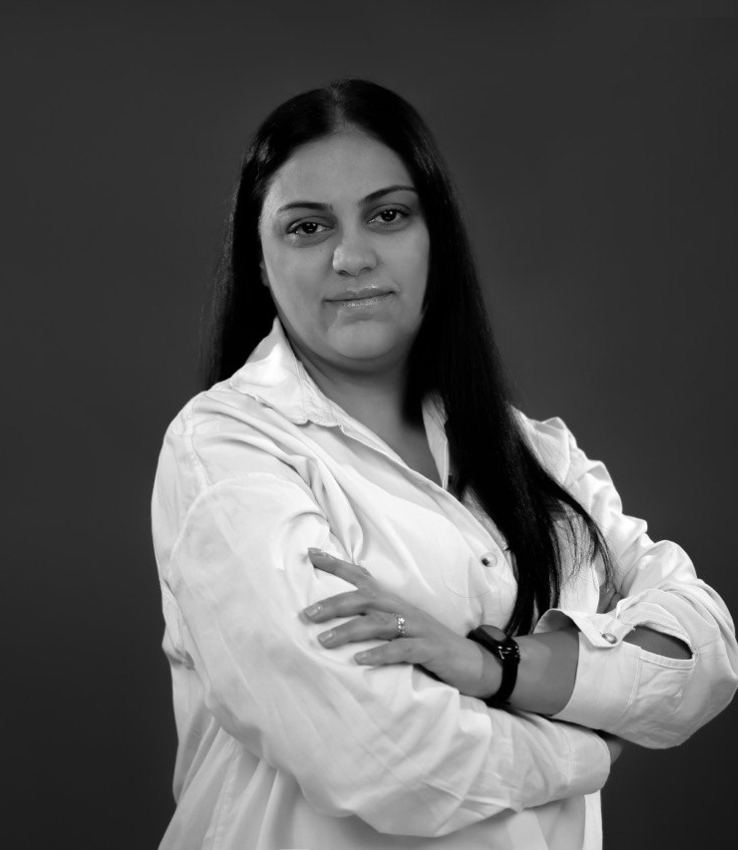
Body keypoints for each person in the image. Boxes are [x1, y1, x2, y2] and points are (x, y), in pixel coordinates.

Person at [150, 79, 738, 850]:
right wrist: (588, 741)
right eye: (307, 227)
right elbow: (369, 752)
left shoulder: (537, 454)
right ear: (259, 260)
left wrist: (493, 666)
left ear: (437, 237)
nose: (352, 256)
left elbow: (704, 650)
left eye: (389, 215)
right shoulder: (226, 448)